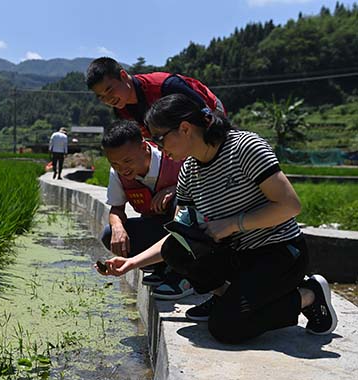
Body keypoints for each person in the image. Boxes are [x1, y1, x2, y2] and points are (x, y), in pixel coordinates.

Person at [97, 93, 338, 343]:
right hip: (237, 256)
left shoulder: (244, 148)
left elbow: (290, 205)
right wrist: (132, 263)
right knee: (176, 249)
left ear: (185, 128)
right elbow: (179, 235)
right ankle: (226, 295)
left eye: (159, 137)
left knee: (226, 327)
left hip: (279, 252)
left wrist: (234, 224)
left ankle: (308, 295)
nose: (158, 146)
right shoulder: (189, 171)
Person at [100, 120, 193, 300]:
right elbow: (116, 209)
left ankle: (183, 275)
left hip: (189, 230)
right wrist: (118, 227)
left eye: (127, 161)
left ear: (144, 147)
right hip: (158, 227)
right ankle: (160, 267)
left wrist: (175, 188)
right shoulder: (118, 173)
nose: (122, 169)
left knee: (178, 203)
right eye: (115, 164)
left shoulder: (175, 158)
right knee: (109, 233)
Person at [86, 57, 226, 139]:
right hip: (175, 136)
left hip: (209, 111)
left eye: (109, 90)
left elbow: (206, 115)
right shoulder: (122, 111)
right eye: (101, 97)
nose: (108, 99)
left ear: (123, 76)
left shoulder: (165, 85)